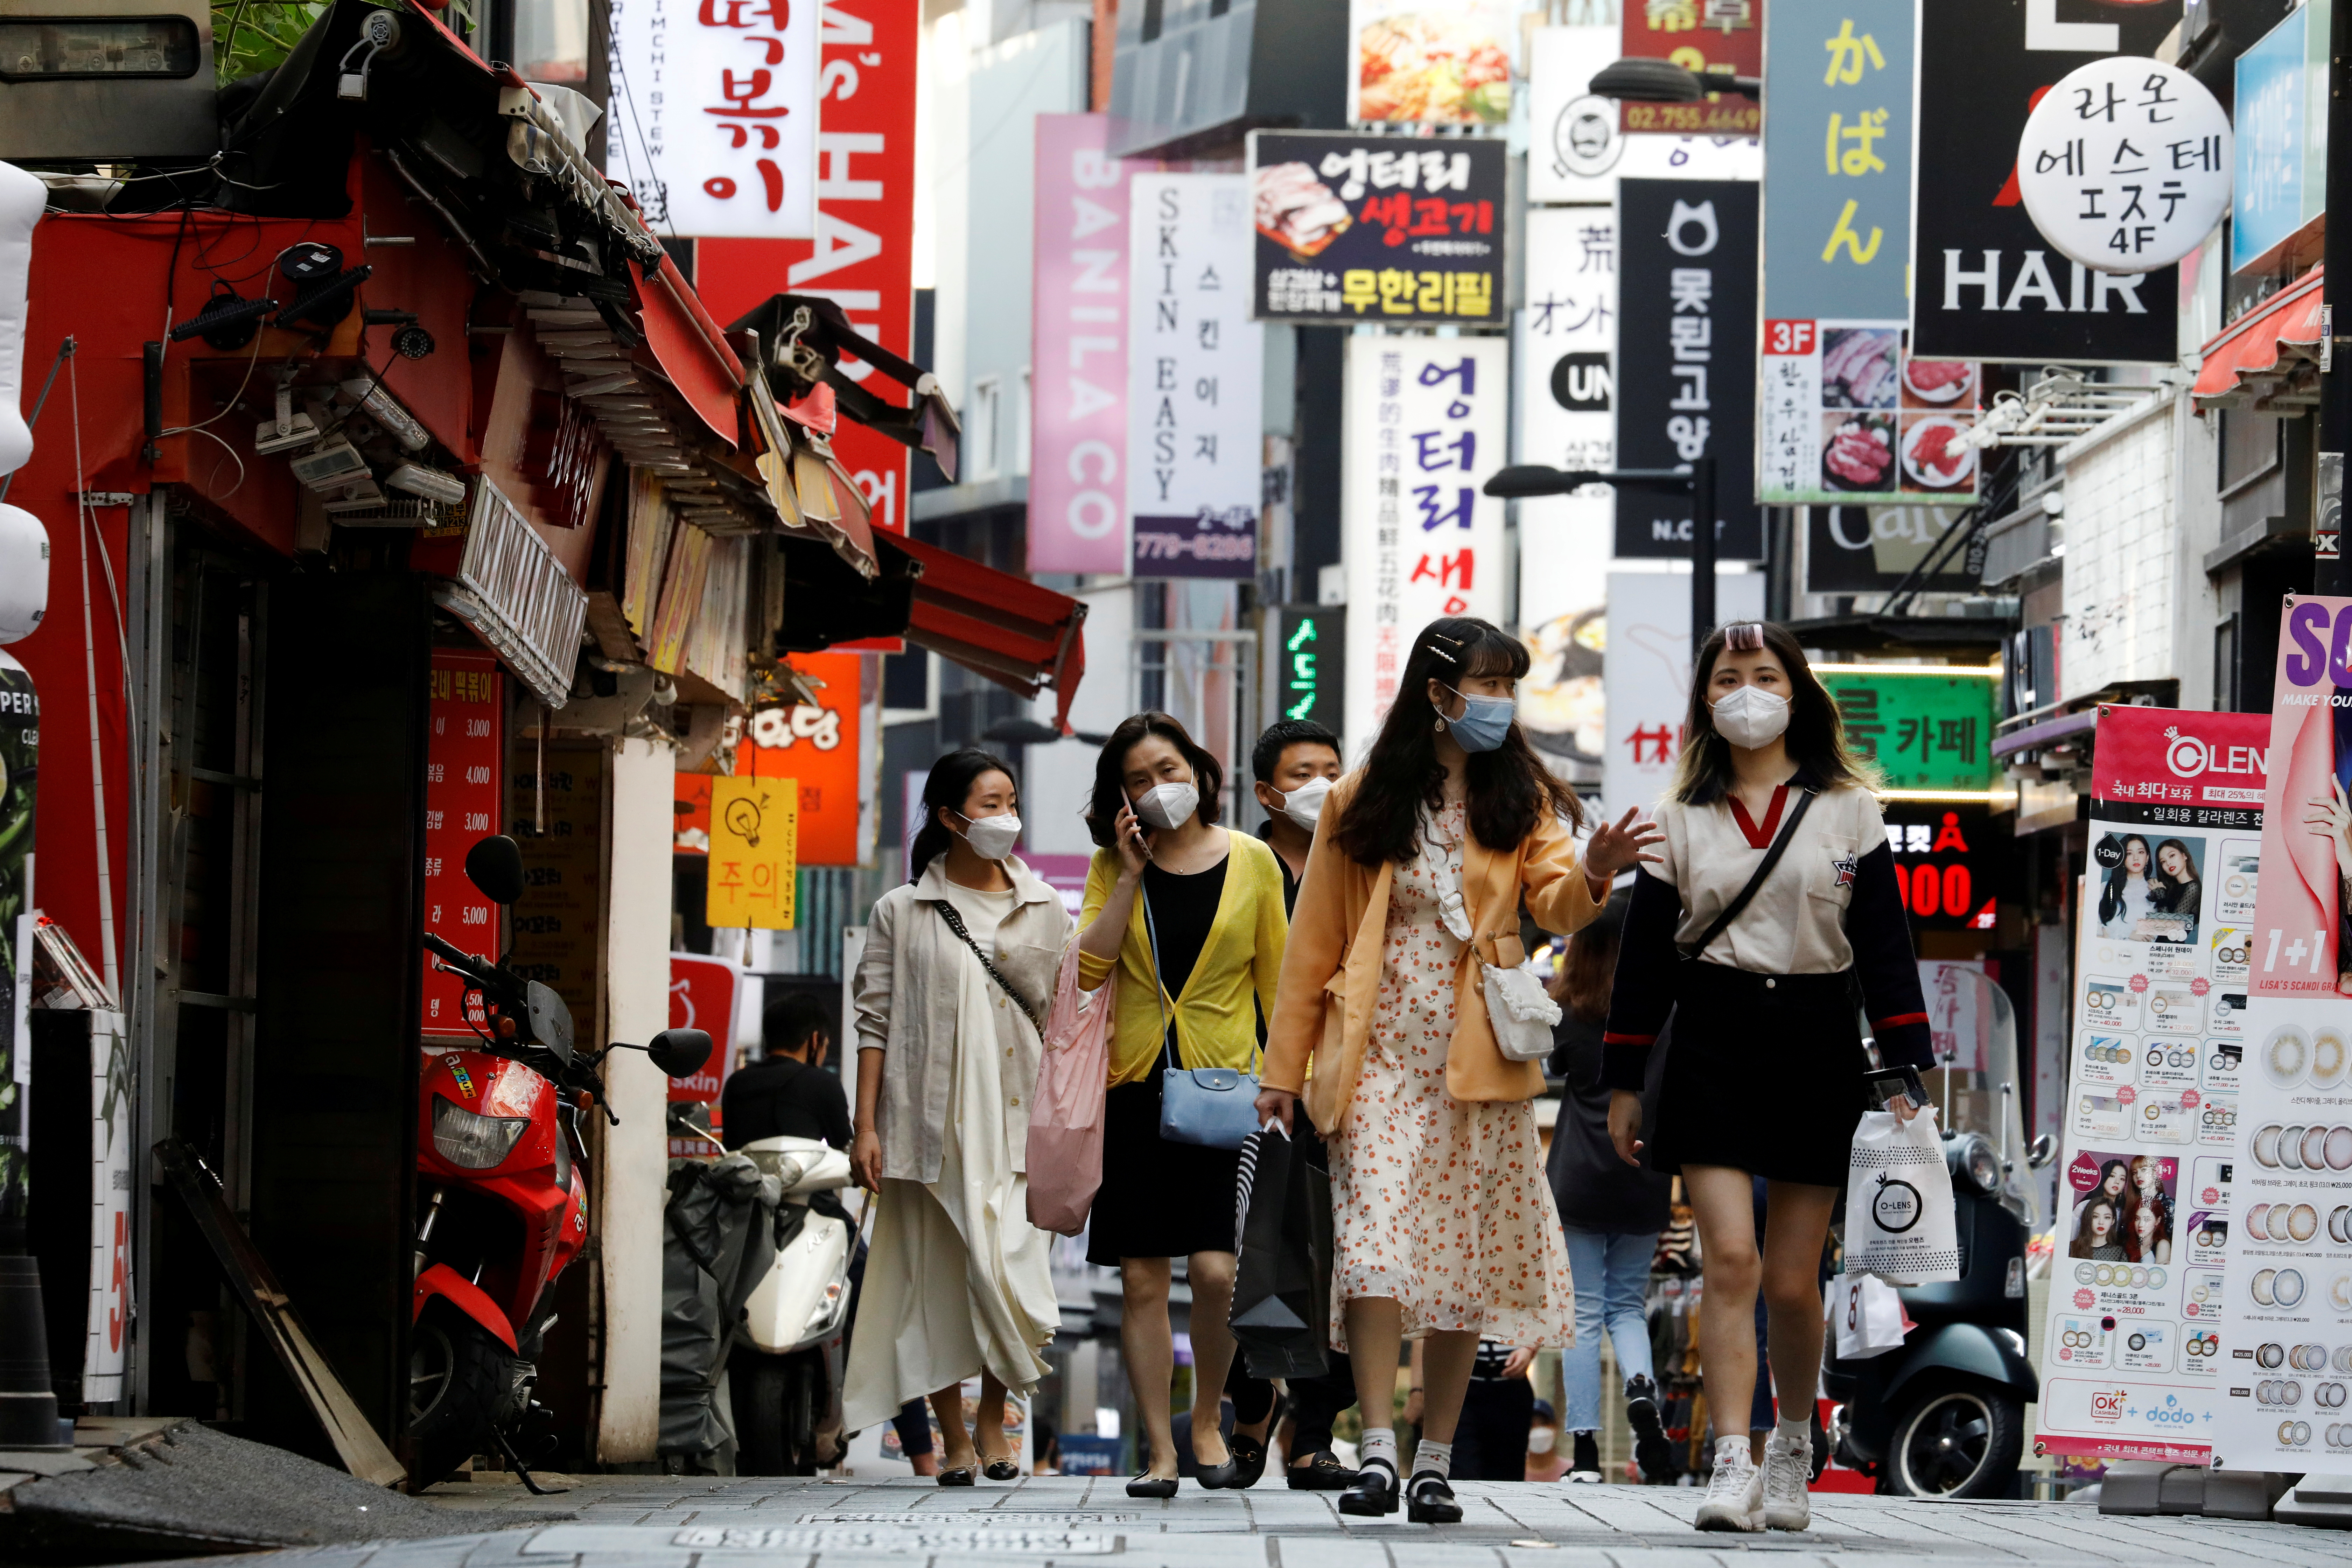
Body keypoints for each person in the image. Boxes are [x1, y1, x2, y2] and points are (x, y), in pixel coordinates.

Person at [1258, 616, 1663, 1524]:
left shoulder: (1519, 796)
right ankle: (1374, 1452)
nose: (1500, 703)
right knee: (1370, 1256)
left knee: (1459, 1268)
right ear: (1437, 693)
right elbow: (1313, 943)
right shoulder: (1360, 799)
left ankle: (1433, 1458)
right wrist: (1284, 1071)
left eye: (1508, 685)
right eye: (1487, 684)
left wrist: (1595, 873)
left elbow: (1552, 901)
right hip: (1375, 1061)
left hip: (1479, 1063)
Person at [1600, 621, 1934, 1534]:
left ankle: (1793, 1442)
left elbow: (1885, 949)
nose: (1747, 691)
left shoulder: (1850, 810)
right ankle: (1730, 1461)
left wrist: (1906, 1063)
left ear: (1798, 693)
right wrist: (1624, 1081)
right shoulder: (1677, 820)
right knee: (1730, 1261)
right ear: (1705, 700)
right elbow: (1644, 967)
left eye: (1764, 675)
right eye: (1727, 678)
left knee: (1792, 1281)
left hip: (1818, 1041)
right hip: (1710, 1038)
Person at [841, 748, 1069, 1485]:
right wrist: (865, 1126)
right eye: (992, 802)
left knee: (1009, 1273)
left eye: (1011, 799)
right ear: (950, 816)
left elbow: (1065, 1017)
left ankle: (994, 1417)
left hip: (1020, 1123)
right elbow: (873, 1022)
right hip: (928, 1126)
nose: (1008, 816)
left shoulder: (1046, 906)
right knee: (936, 1279)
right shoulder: (900, 912)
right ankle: (954, 1436)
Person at [1075, 712, 1288, 1496]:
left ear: (1199, 770)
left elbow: (1281, 982)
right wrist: (1129, 873)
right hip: (1132, 1088)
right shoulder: (1112, 863)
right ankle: (1161, 1450)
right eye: (1138, 778)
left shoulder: (1255, 861)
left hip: (1226, 1091)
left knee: (1214, 1268)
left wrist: (1288, 1081)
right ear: (1121, 796)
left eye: (1167, 768)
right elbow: (1089, 971)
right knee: (1139, 1278)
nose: (1157, 786)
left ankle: (1206, 1418)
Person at [1246, 717, 1360, 1492]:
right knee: (1256, 1259)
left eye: (1331, 767)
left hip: (1349, 1088)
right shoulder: (1240, 864)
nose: (1320, 783)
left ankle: (1314, 1429)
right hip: (1255, 1091)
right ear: (1266, 791)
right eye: (1301, 772)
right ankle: (1251, 1407)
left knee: (1350, 1264)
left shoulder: (1364, 857)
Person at [1545, 888, 1674, 1485]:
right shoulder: (1663, 1012)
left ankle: (1588, 1455)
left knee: (1582, 1312)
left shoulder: (1569, 1009)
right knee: (1627, 1306)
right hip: (1643, 1173)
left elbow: (1557, 1071)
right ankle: (1642, 1389)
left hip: (1576, 1179)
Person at [721, 992, 853, 1151]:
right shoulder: (822, 1083)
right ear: (815, 1040)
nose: (824, 1054)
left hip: (744, 1175)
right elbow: (847, 1152)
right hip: (803, 1176)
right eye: (825, 1045)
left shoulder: (736, 1083)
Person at [2096, 834, 2163, 939]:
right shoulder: (2105, 888)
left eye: (2141, 852)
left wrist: (2110, 933)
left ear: (2147, 858)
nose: (2136, 858)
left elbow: (2154, 934)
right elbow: (2095, 930)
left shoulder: (2155, 890)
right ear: (2122, 858)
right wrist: (2129, 934)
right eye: (2129, 854)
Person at [2151, 838, 2202, 941]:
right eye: (2163, 862)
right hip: (2158, 948)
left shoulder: (2194, 887)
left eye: (2172, 856)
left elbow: (2171, 929)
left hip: (2172, 949)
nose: (2169, 863)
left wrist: (2161, 896)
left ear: (2185, 856)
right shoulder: (2170, 889)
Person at [1525, 1399, 1568, 1483]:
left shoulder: (1570, 1472)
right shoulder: (1512, 1474)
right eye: (1531, 1425)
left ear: (1556, 1427)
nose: (1538, 1430)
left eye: (1544, 1423)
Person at [2071, 1195, 2124, 1261]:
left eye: (2107, 1218)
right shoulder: (2072, 1248)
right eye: (2095, 1217)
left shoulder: (2120, 1253)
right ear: (2089, 1218)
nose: (2101, 1222)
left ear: (2113, 1221)